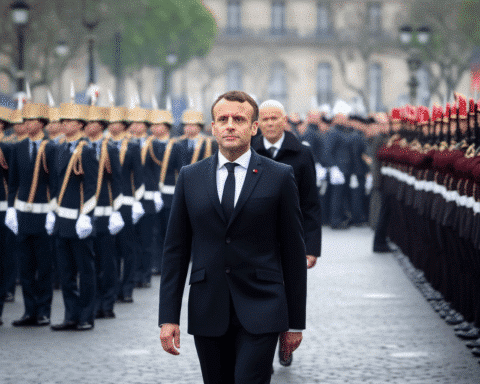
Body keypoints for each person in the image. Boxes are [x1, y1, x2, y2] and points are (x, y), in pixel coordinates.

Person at [159, 90, 307, 384]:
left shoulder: (279, 176)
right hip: (208, 306)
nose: (230, 125)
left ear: (254, 127)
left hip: (262, 305)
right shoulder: (190, 177)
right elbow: (176, 251)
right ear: (212, 127)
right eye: (222, 119)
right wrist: (168, 317)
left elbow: (293, 251)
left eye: (239, 119)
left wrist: (295, 323)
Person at [252, 100, 321, 367]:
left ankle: (286, 341)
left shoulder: (302, 154)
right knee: (263, 296)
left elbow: (311, 203)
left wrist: (312, 246)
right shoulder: (250, 150)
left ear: (285, 121)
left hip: (292, 238)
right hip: (257, 239)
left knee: (288, 293)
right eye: (265, 119)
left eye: (275, 118)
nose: (270, 124)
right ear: (258, 123)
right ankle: (262, 349)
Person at [49, 102, 99, 331]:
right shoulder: (59, 148)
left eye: (69, 121)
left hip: (79, 220)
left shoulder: (87, 149)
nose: (64, 124)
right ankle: (70, 315)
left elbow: (91, 186)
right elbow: (56, 184)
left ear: (80, 124)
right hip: (62, 219)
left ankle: (86, 316)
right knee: (66, 273)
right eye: (63, 121)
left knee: (85, 271)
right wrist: (53, 211)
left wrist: (86, 215)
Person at [6, 103, 56, 327]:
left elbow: (56, 183)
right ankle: (29, 311)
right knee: (25, 266)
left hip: (44, 213)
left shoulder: (52, 147)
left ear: (42, 123)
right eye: (25, 120)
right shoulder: (18, 148)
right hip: (23, 213)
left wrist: (53, 211)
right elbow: (13, 182)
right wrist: (10, 209)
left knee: (44, 266)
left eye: (32, 120)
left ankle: (44, 310)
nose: (27, 124)